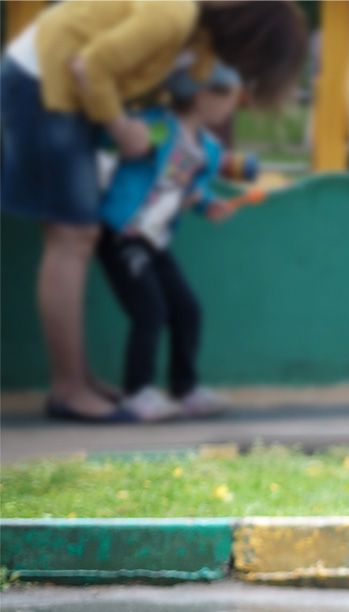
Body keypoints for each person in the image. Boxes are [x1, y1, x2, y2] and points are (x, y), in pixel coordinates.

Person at [1, 0, 306, 422]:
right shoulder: (173, 15)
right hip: (43, 82)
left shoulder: (196, 38)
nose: (240, 73)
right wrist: (122, 127)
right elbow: (90, 67)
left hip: (67, 90)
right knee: (70, 236)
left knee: (78, 235)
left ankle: (80, 380)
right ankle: (68, 389)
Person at [94, 64, 248, 422]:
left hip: (154, 241)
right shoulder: (161, 126)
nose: (231, 108)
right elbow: (114, 140)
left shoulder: (208, 149)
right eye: (228, 98)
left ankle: (185, 388)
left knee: (187, 310)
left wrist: (209, 205)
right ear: (202, 96)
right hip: (123, 234)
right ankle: (137, 392)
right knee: (150, 310)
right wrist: (132, 134)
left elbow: (192, 189)